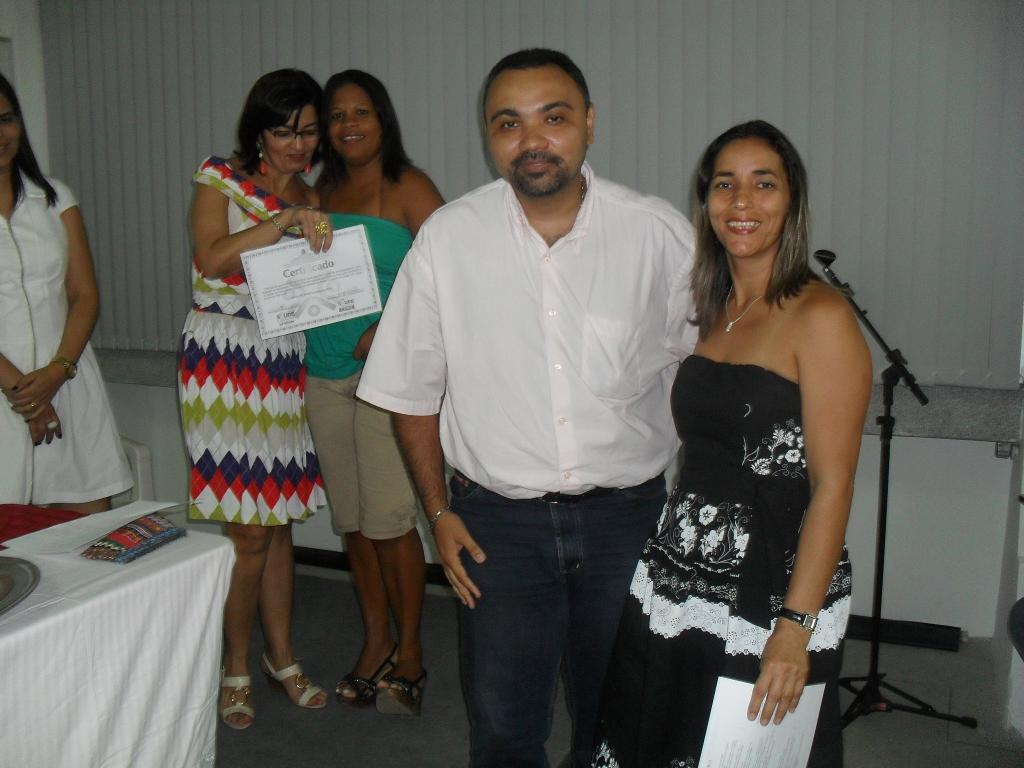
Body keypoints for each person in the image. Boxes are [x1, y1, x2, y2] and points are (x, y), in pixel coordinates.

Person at [357, 49, 696, 765]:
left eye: (554, 118)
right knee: (504, 726)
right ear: (488, 134)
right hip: (496, 529)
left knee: (621, 722)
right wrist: (437, 513)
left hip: (627, 522)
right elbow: (411, 392)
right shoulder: (449, 239)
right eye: (508, 123)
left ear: (590, 123)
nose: (532, 140)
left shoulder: (656, 235)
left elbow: (704, 375)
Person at [591, 120, 871, 768]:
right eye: (725, 185)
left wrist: (794, 629)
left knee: (744, 747)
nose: (742, 202)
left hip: (771, 579)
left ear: (792, 199)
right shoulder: (717, 309)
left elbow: (832, 486)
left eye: (763, 184)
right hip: (684, 562)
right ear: (706, 200)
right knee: (663, 731)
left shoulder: (821, 316)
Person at [179, 68, 331, 730]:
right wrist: (285, 221)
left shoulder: (312, 196)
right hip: (221, 356)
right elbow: (213, 259)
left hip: (280, 355)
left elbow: (311, 287)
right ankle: (234, 665)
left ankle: (282, 656)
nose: (299, 145)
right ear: (259, 131)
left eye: (309, 131)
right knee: (247, 529)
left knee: (279, 521)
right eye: (284, 131)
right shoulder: (219, 178)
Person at [305, 69, 443, 714]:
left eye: (361, 112)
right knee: (354, 524)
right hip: (322, 375)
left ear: (382, 117)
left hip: (384, 378)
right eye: (337, 115)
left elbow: (451, 276)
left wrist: (388, 329)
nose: (349, 124)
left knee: (389, 523)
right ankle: (376, 640)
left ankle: (410, 652)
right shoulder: (318, 191)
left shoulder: (408, 187)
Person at [0, 73, 131, 509]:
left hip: (66, 378)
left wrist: (56, 373)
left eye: (5, 119)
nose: (0, 134)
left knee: (87, 528)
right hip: (8, 391)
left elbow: (84, 294)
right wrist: (27, 397)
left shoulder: (54, 197)